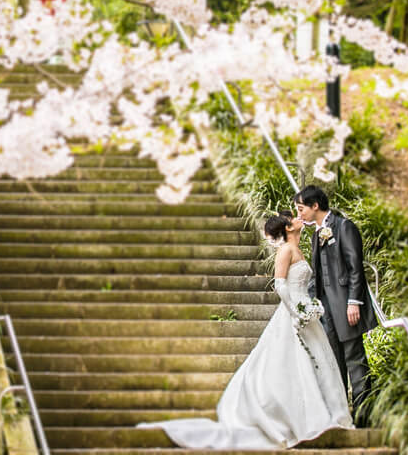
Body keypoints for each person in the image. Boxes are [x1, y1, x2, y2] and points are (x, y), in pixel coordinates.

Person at [138, 211, 352, 449]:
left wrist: (309, 308)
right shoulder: (286, 251)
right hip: (293, 315)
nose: (300, 218)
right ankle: (298, 418)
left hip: (307, 315)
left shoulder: (298, 249)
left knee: (318, 363)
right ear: (288, 228)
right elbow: (280, 285)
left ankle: (327, 416)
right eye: (294, 217)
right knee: (295, 364)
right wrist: (296, 312)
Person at [294, 184, 378, 427]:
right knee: (334, 362)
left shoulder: (343, 227)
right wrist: (309, 305)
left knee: (355, 360)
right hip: (325, 310)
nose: (299, 214)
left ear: (315, 206)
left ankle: (364, 416)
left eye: (301, 209)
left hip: (346, 306)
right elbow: (316, 276)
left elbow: (355, 268)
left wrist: (354, 302)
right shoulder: (315, 235)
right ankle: (342, 415)